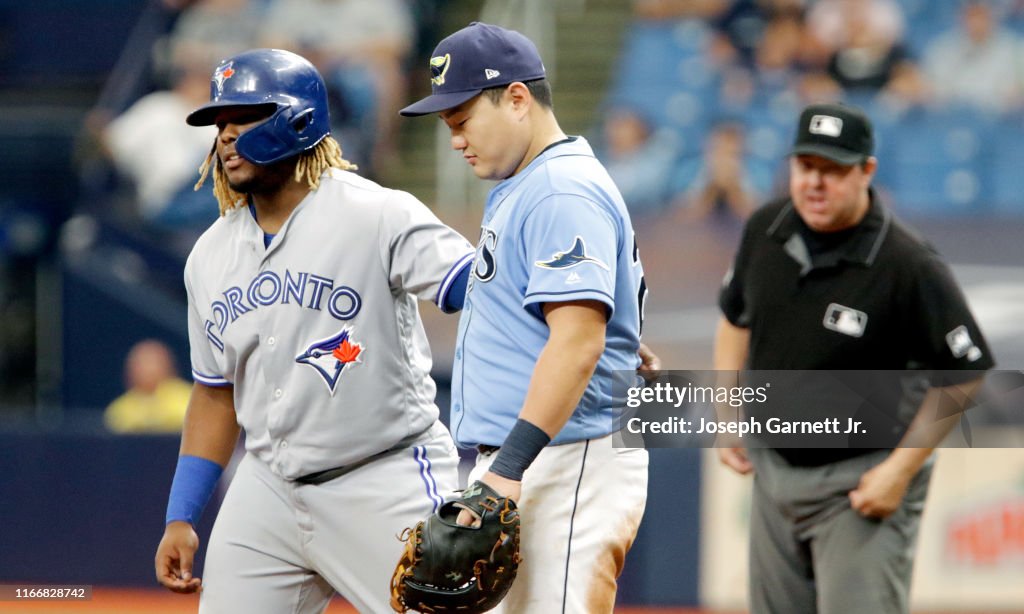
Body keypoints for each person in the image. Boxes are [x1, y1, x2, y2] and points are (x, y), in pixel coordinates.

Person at [153, 48, 476, 613]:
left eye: (243, 117)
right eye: (218, 124)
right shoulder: (209, 256)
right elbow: (213, 393)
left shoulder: (376, 214)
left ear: (299, 119)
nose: (225, 135)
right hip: (268, 488)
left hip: (383, 475)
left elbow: (479, 289)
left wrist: (579, 315)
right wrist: (181, 514)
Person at [400, 22, 651, 613]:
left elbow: (577, 344)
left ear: (516, 98)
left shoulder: (560, 190)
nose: (455, 139)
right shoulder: (530, 183)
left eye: (461, 121)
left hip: (566, 456)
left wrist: (507, 468)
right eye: (446, 126)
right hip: (538, 452)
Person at [714, 102, 994, 613]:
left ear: (867, 171)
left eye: (834, 170)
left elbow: (966, 371)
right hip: (776, 471)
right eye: (806, 167)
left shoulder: (906, 262)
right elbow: (735, 318)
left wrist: (900, 471)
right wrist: (729, 414)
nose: (816, 184)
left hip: (861, 481)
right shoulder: (765, 229)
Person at [104, 339, 192, 434]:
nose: (147, 369)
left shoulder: (189, 397)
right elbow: (116, 423)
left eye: (152, 362)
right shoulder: (119, 407)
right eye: (140, 363)